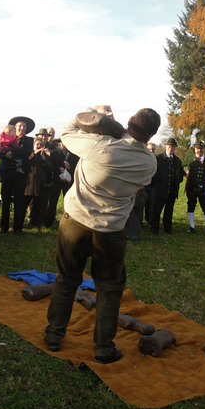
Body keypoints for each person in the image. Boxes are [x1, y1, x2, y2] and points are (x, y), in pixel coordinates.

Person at [45, 108, 160, 364]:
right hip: (111, 230)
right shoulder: (149, 162)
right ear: (152, 134)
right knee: (109, 289)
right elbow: (140, 186)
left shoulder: (99, 144)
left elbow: (68, 132)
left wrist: (98, 118)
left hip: (75, 221)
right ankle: (103, 348)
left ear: (129, 121)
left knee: (66, 280)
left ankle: (53, 337)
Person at [0, 116, 34, 234]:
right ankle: (4, 227)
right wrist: (4, 154)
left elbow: (25, 153)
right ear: (15, 127)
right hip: (7, 173)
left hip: (20, 174)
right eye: (19, 126)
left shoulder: (29, 140)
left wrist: (9, 152)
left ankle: (18, 228)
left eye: (24, 126)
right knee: (6, 200)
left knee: (19, 201)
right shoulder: (5, 139)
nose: (22, 128)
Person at [151, 138, 186, 235]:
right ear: (166, 147)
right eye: (169, 146)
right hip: (160, 189)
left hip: (172, 190)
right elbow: (153, 172)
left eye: (173, 147)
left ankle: (168, 228)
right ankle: (154, 228)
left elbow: (180, 173)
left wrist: (179, 179)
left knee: (169, 211)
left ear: (175, 148)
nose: (171, 149)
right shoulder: (158, 159)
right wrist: (160, 179)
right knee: (157, 210)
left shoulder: (177, 161)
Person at [24, 137, 53, 227]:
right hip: (30, 182)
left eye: (41, 145)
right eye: (37, 144)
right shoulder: (30, 153)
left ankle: (36, 222)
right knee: (28, 203)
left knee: (38, 203)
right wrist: (33, 154)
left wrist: (44, 158)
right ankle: (28, 219)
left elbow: (49, 167)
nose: (39, 146)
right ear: (34, 145)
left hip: (41, 182)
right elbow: (26, 162)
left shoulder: (45, 156)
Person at [142, 142, 156, 226]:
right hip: (142, 186)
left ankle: (149, 221)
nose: (151, 150)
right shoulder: (142, 159)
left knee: (151, 205)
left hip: (153, 186)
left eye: (153, 149)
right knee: (141, 205)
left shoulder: (157, 160)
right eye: (149, 149)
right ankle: (139, 223)